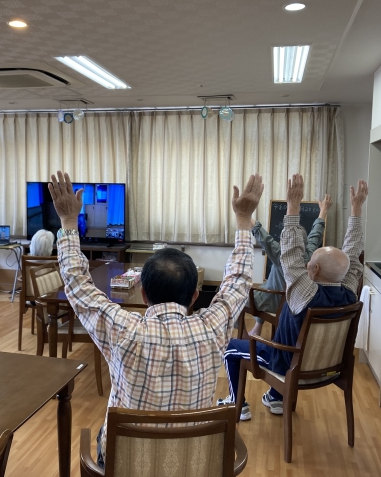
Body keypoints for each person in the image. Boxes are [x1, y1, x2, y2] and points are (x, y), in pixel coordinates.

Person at [48, 170, 262, 468]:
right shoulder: (213, 327)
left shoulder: (123, 328)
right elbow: (239, 279)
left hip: (127, 465)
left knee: (101, 435)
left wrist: (69, 221)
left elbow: (77, 285)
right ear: (194, 296)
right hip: (193, 464)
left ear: (144, 293)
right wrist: (244, 219)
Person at [220, 175, 367, 419]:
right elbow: (352, 253)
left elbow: (289, 253)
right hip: (327, 368)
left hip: (287, 365)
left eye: (309, 262)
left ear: (315, 270)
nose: (305, 263)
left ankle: (237, 404)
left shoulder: (304, 293)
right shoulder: (350, 292)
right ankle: (276, 397)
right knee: (288, 343)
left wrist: (292, 206)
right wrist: (356, 211)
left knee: (230, 348)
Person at [248, 194, 333, 337]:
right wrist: (323, 210)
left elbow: (261, 234)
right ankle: (257, 327)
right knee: (266, 285)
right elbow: (316, 234)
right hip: (298, 301)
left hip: (276, 300)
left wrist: (244, 213)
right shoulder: (310, 253)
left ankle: (245, 333)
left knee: (238, 298)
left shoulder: (280, 254)